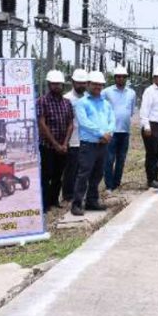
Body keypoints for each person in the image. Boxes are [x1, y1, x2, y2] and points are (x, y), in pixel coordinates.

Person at [71, 71, 115, 216]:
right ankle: (77, 204)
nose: (98, 87)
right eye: (95, 84)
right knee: (84, 174)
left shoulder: (106, 103)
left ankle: (92, 201)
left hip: (103, 145)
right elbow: (84, 123)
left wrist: (109, 133)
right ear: (88, 84)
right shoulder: (82, 103)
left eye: (100, 84)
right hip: (88, 145)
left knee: (97, 174)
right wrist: (101, 134)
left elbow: (112, 120)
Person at [37, 70, 74, 212]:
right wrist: (55, 144)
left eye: (59, 84)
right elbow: (42, 125)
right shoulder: (42, 101)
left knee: (58, 175)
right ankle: (44, 204)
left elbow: (70, 124)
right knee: (47, 175)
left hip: (63, 146)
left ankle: (54, 200)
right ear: (49, 85)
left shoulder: (67, 103)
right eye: (54, 84)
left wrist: (64, 144)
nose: (57, 87)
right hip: (47, 146)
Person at [102, 65, 136, 192]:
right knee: (109, 159)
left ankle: (117, 184)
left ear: (126, 78)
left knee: (121, 159)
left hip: (125, 131)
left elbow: (131, 111)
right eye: (118, 77)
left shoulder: (131, 93)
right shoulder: (106, 92)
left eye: (123, 77)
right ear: (115, 78)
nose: (121, 79)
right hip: (111, 132)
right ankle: (109, 185)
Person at [62, 69, 89, 204]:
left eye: (84, 83)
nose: (81, 86)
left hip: (85, 138)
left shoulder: (88, 98)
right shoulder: (67, 98)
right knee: (71, 169)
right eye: (79, 83)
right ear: (73, 83)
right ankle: (68, 195)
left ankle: (79, 192)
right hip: (72, 139)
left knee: (82, 169)